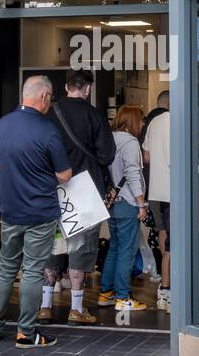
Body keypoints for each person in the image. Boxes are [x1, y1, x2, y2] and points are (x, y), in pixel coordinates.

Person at [0, 75, 72, 347]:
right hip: (40, 212)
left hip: (10, 210)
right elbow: (64, 174)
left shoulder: (2, 125)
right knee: (33, 271)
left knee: (5, 268)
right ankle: (26, 332)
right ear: (45, 96)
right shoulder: (48, 131)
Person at [45, 69, 115, 325]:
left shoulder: (51, 113)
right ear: (87, 89)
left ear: (66, 87)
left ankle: (44, 305)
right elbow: (107, 155)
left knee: (53, 246)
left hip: (54, 189)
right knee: (80, 248)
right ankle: (76, 308)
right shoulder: (95, 115)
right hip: (86, 190)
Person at [100, 105, 148, 310]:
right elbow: (132, 174)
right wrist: (141, 204)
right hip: (128, 202)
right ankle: (122, 297)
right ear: (132, 121)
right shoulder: (130, 142)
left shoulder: (109, 139)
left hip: (112, 202)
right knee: (127, 250)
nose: (143, 123)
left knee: (115, 248)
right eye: (141, 119)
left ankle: (106, 292)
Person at [142, 94, 171, 311]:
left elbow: (147, 158)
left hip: (155, 189)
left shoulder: (153, 122)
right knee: (176, 240)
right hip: (175, 190)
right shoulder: (180, 119)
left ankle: (164, 283)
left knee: (162, 233)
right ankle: (170, 288)